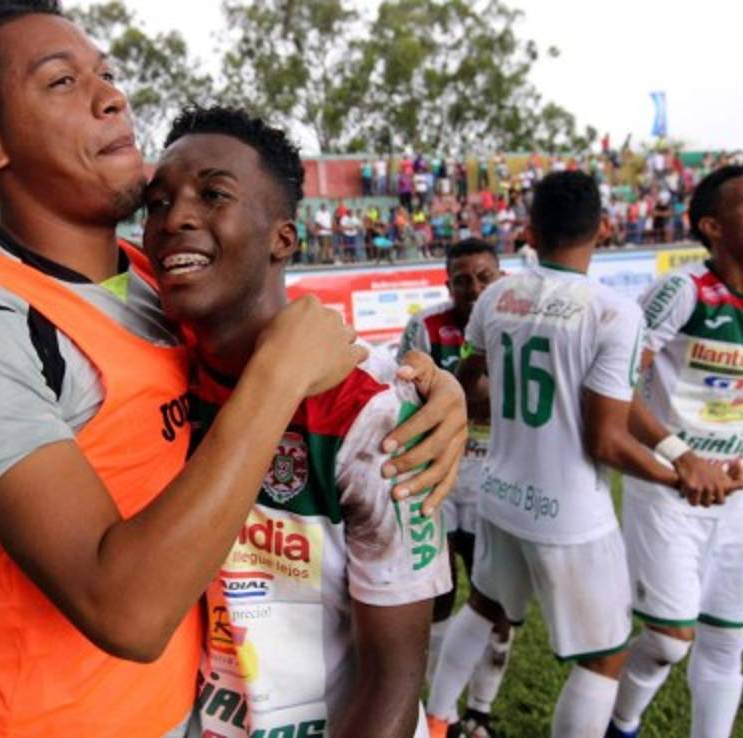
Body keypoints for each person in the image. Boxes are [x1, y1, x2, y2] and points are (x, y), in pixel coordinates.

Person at [0, 4, 467, 737]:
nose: (110, 97)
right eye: (62, 82)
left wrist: (422, 384)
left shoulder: (153, 281)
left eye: (107, 75)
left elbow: (276, 334)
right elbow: (126, 612)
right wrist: (278, 378)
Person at [144, 103, 450, 738]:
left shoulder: (372, 411)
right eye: (158, 202)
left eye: (213, 194)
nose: (176, 218)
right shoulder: (153, 375)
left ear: (283, 238)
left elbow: (392, 677)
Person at [427, 172, 737, 738]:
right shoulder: (614, 312)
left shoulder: (497, 295)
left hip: (499, 493)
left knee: (485, 605)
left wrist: (674, 451)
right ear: (604, 227)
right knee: (603, 661)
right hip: (569, 516)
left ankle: (436, 721)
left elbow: (469, 379)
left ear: (528, 230)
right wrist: (679, 480)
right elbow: (606, 440)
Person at [608, 166, 743, 738]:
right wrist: (681, 455)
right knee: (670, 641)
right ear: (712, 226)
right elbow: (614, 384)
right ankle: (618, 725)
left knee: (727, 640)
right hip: (670, 492)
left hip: (742, 497)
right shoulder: (682, 292)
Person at [398, 238, 510, 737]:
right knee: (435, 603)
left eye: (485, 276)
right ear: (448, 284)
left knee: (497, 607)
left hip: (497, 488)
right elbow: (402, 400)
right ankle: (432, 712)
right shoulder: (425, 329)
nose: (475, 288)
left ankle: (478, 714)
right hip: (437, 481)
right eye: (462, 279)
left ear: (501, 276)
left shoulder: (521, 329)